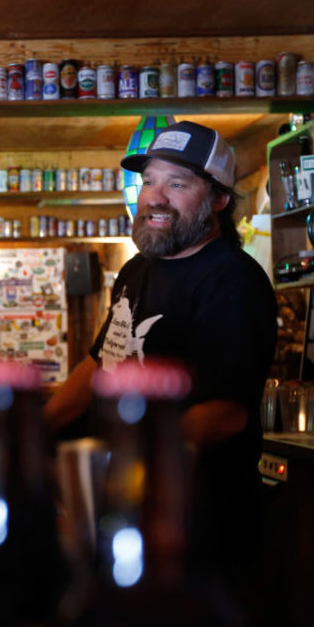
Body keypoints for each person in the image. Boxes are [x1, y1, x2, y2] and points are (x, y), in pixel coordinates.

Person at [44, 120, 277, 598]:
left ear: (218, 200)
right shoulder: (136, 270)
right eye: (149, 180)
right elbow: (102, 361)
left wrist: (128, 465)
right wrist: (34, 429)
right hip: (126, 511)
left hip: (198, 518)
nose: (155, 196)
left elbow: (226, 413)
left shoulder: (233, 281)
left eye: (178, 184)